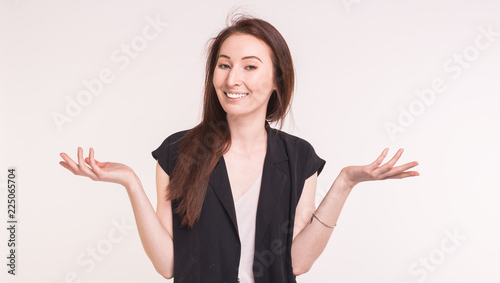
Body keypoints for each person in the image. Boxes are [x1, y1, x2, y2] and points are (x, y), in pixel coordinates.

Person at [59, 14, 419, 283]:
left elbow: (297, 263)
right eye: (224, 65)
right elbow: (168, 266)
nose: (233, 79)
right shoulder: (178, 152)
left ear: (277, 80)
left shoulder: (299, 158)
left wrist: (344, 183)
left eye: (250, 67)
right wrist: (130, 183)